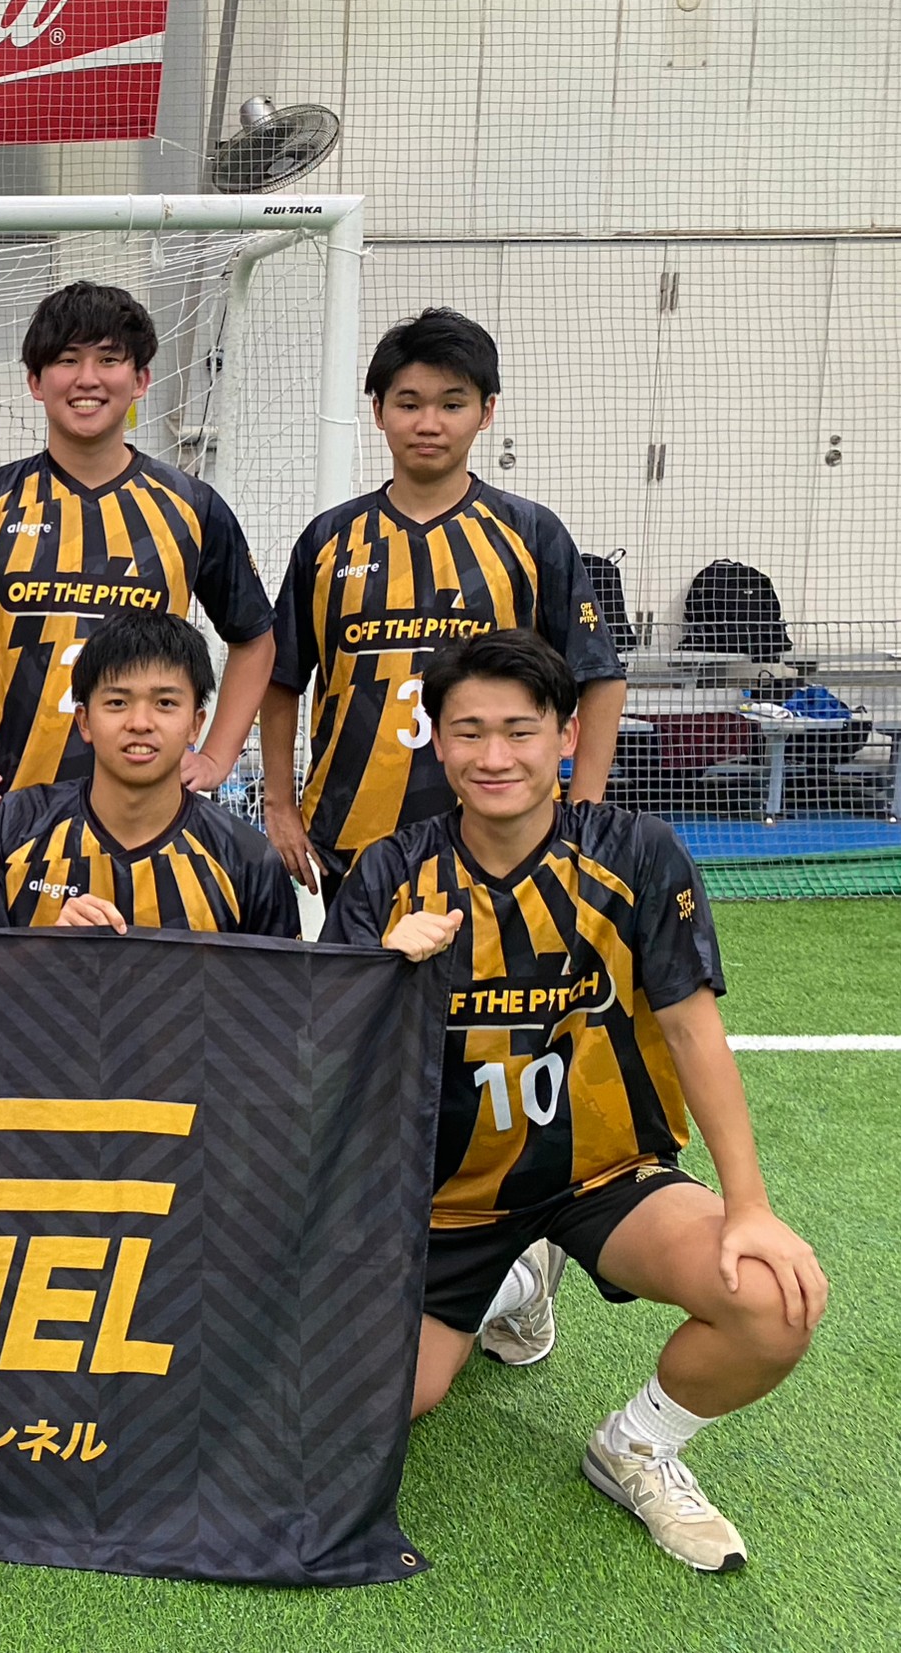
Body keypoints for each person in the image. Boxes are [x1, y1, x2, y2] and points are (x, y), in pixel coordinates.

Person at [326, 630, 824, 1573]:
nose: (494, 755)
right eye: (469, 731)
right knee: (362, 1405)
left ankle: (637, 1445)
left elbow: (693, 1032)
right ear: (436, 740)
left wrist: (749, 1205)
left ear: (565, 736)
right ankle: (516, 1282)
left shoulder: (637, 854)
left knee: (773, 1300)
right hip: (443, 1201)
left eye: (520, 730)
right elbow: (327, 1062)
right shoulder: (389, 874)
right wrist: (380, 974)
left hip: (605, 1174)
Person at [0, 281, 274, 871]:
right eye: (67, 360)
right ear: (35, 381)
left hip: (151, 830)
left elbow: (255, 638)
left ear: (140, 380)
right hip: (7, 825)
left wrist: (218, 757)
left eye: (109, 359)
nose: (87, 379)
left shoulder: (190, 506)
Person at [262, 308, 627, 891]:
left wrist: (582, 814)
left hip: (508, 840)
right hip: (354, 838)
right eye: (409, 404)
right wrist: (279, 804)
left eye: (452, 405)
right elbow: (280, 677)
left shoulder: (531, 534)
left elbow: (599, 676)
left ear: (487, 412)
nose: (428, 423)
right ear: (378, 411)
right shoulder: (328, 540)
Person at [0, 611, 296, 937]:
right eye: (117, 702)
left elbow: (281, 980)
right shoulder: (16, 827)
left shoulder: (247, 859)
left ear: (195, 725)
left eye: (165, 703)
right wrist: (49, 952)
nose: (140, 723)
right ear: (84, 722)